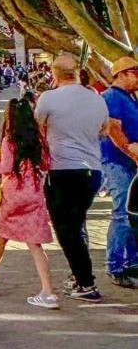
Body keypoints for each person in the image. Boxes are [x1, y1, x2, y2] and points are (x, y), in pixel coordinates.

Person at [35, 54, 110, 301]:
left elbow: (37, 128)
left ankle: (86, 283)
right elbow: (104, 130)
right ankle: (80, 277)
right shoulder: (96, 99)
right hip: (92, 171)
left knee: (67, 229)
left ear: (54, 74)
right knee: (76, 226)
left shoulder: (48, 98)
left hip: (63, 170)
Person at [0, 98, 56, 308]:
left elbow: (4, 168)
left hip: (13, 195)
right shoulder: (38, 140)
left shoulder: (8, 141)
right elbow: (47, 163)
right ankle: (48, 291)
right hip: (34, 195)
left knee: (1, 236)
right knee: (35, 245)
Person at [101, 56, 138, 287]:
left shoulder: (130, 98)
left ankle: (131, 261)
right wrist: (132, 152)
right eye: (134, 72)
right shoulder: (112, 97)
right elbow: (115, 131)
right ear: (122, 74)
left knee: (132, 215)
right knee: (122, 214)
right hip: (118, 163)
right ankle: (115, 266)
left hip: (129, 163)